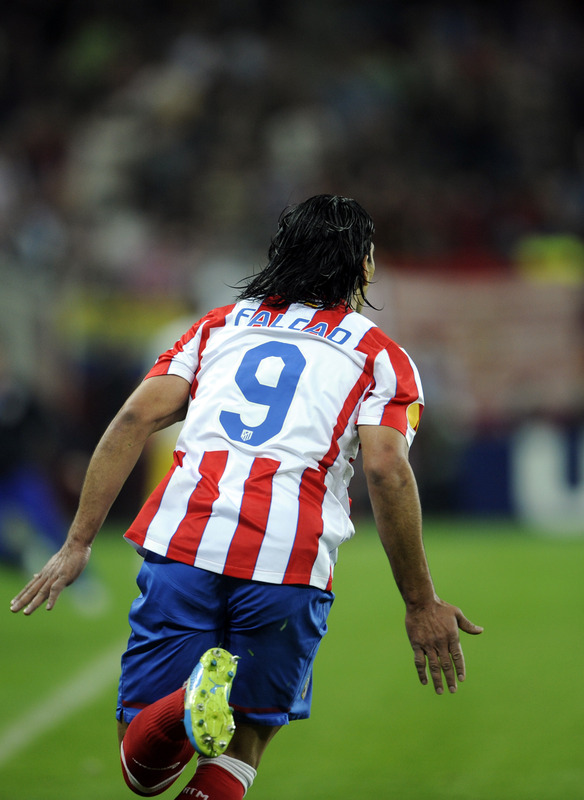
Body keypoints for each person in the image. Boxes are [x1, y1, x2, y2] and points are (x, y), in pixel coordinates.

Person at [11, 194, 483, 799]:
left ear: (280, 255)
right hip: (291, 560)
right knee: (245, 744)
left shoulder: (217, 327)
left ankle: (186, 705)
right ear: (364, 267)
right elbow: (387, 470)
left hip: (186, 541)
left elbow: (132, 419)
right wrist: (421, 602)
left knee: (142, 774)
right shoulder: (381, 357)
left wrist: (76, 542)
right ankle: (194, 708)